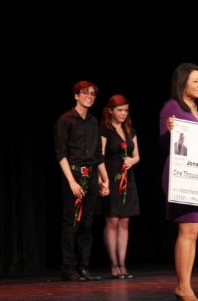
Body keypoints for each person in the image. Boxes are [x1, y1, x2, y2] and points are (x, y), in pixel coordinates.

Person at [160, 63, 198, 301]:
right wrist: (170, 130)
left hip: (197, 176)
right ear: (183, 84)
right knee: (188, 229)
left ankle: (185, 285)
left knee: (193, 230)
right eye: (195, 81)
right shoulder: (172, 106)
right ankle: (183, 286)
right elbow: (164, 140)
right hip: (179, 176)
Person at [54, 80, 110, 282]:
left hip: (91, 175)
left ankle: (83, 266)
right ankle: (68, 267)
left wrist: (105, 180)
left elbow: (98, 155)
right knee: (71, 223)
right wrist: (71, 182)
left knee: (87, 223)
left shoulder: (94, 121)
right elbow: (61, 154)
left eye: (93, 94)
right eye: (85, 93)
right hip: (75, 175)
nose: (89, 96)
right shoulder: (65, 120)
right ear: (76, 95)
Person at [99, 94, 140, 279]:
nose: (123, 114)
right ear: (111, 111)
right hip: (111, 178)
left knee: (125, 221)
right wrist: (103, 180)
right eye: (120, 110)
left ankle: (123, 264)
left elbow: (137, 155)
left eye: (126, 110)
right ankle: (113, 264)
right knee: (113, 221)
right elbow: (99, 157)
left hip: (128, 179)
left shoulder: (130, 130)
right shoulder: (105, 131)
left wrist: (133, 160)